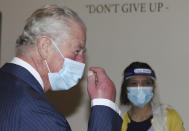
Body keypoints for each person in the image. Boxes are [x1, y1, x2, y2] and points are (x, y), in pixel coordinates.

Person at [0, 4, 122, 131]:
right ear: (45, 46)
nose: (81, 62)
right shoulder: (39, 113)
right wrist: (104, 105)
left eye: (82, 54)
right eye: (76, 51)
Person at [120, 62, 185, 131]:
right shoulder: (117, 119)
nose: (140, 88)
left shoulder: (169, 117)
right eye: (134, 83)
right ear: (126, 89)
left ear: (153, 87)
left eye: (146, 83)